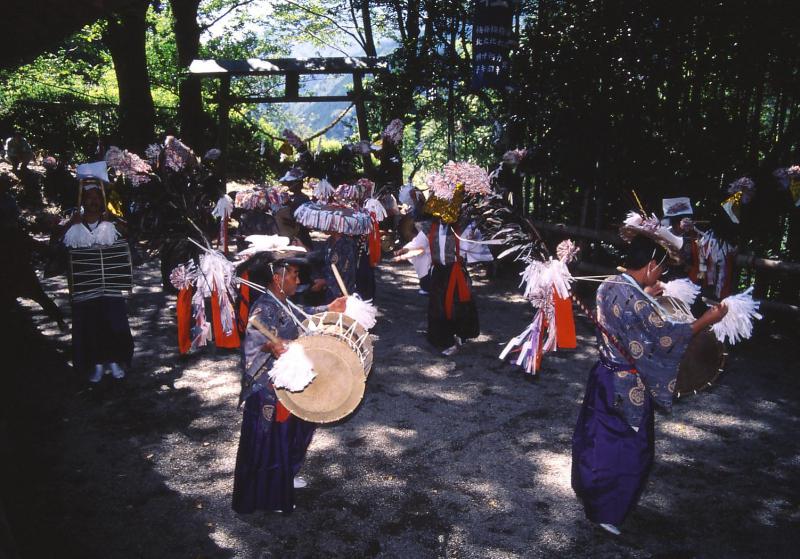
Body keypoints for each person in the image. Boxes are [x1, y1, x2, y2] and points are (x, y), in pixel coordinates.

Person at [571, 234, 728, 536]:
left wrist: (646, 294)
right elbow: (667, 337)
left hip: (603, 375)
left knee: (598, 439)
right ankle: (608, 511)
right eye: (660, 270)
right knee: (631, 449)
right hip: (627, 386)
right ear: (651, 264)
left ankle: (592, 495)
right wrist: (708, 318)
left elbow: (630, 321)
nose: (661, 276)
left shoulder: (609, 284)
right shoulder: (635, 299)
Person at [232, 250, 346, 514]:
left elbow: (302, 315)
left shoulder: (284, 301)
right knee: (271, 443)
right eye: (294, 275)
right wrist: (269, 346)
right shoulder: (263, 307)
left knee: (297, 432)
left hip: (288, 381)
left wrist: (329, 309)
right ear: (277, 276)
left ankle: (285, 476)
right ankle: (266, 497)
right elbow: (253, 336)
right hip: (268, 389)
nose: (298, 281)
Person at [61, 168, 133, 383]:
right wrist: (68, 224)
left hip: (110, 285)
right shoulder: (75, 224)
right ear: (83, 201)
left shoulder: (111, 222)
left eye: (97, 198)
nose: (93, 202)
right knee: (91, 326)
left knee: (114, 323)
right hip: (86, 287)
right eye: (89, 198)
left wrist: (116, 221)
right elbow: (58, 245)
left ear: (102, 201)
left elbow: (129, 237)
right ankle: (98, 365)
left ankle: (115, 361)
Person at [395, 216, 493, 355]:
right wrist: (406, 250)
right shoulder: (430, 227)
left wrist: (471, 235)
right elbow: (419, 243)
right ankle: (445, 340)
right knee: (438, 307)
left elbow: (473, 244)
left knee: (459, 305)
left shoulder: (463, 226)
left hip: (456, 272)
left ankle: (460, 336)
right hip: (439, 273)